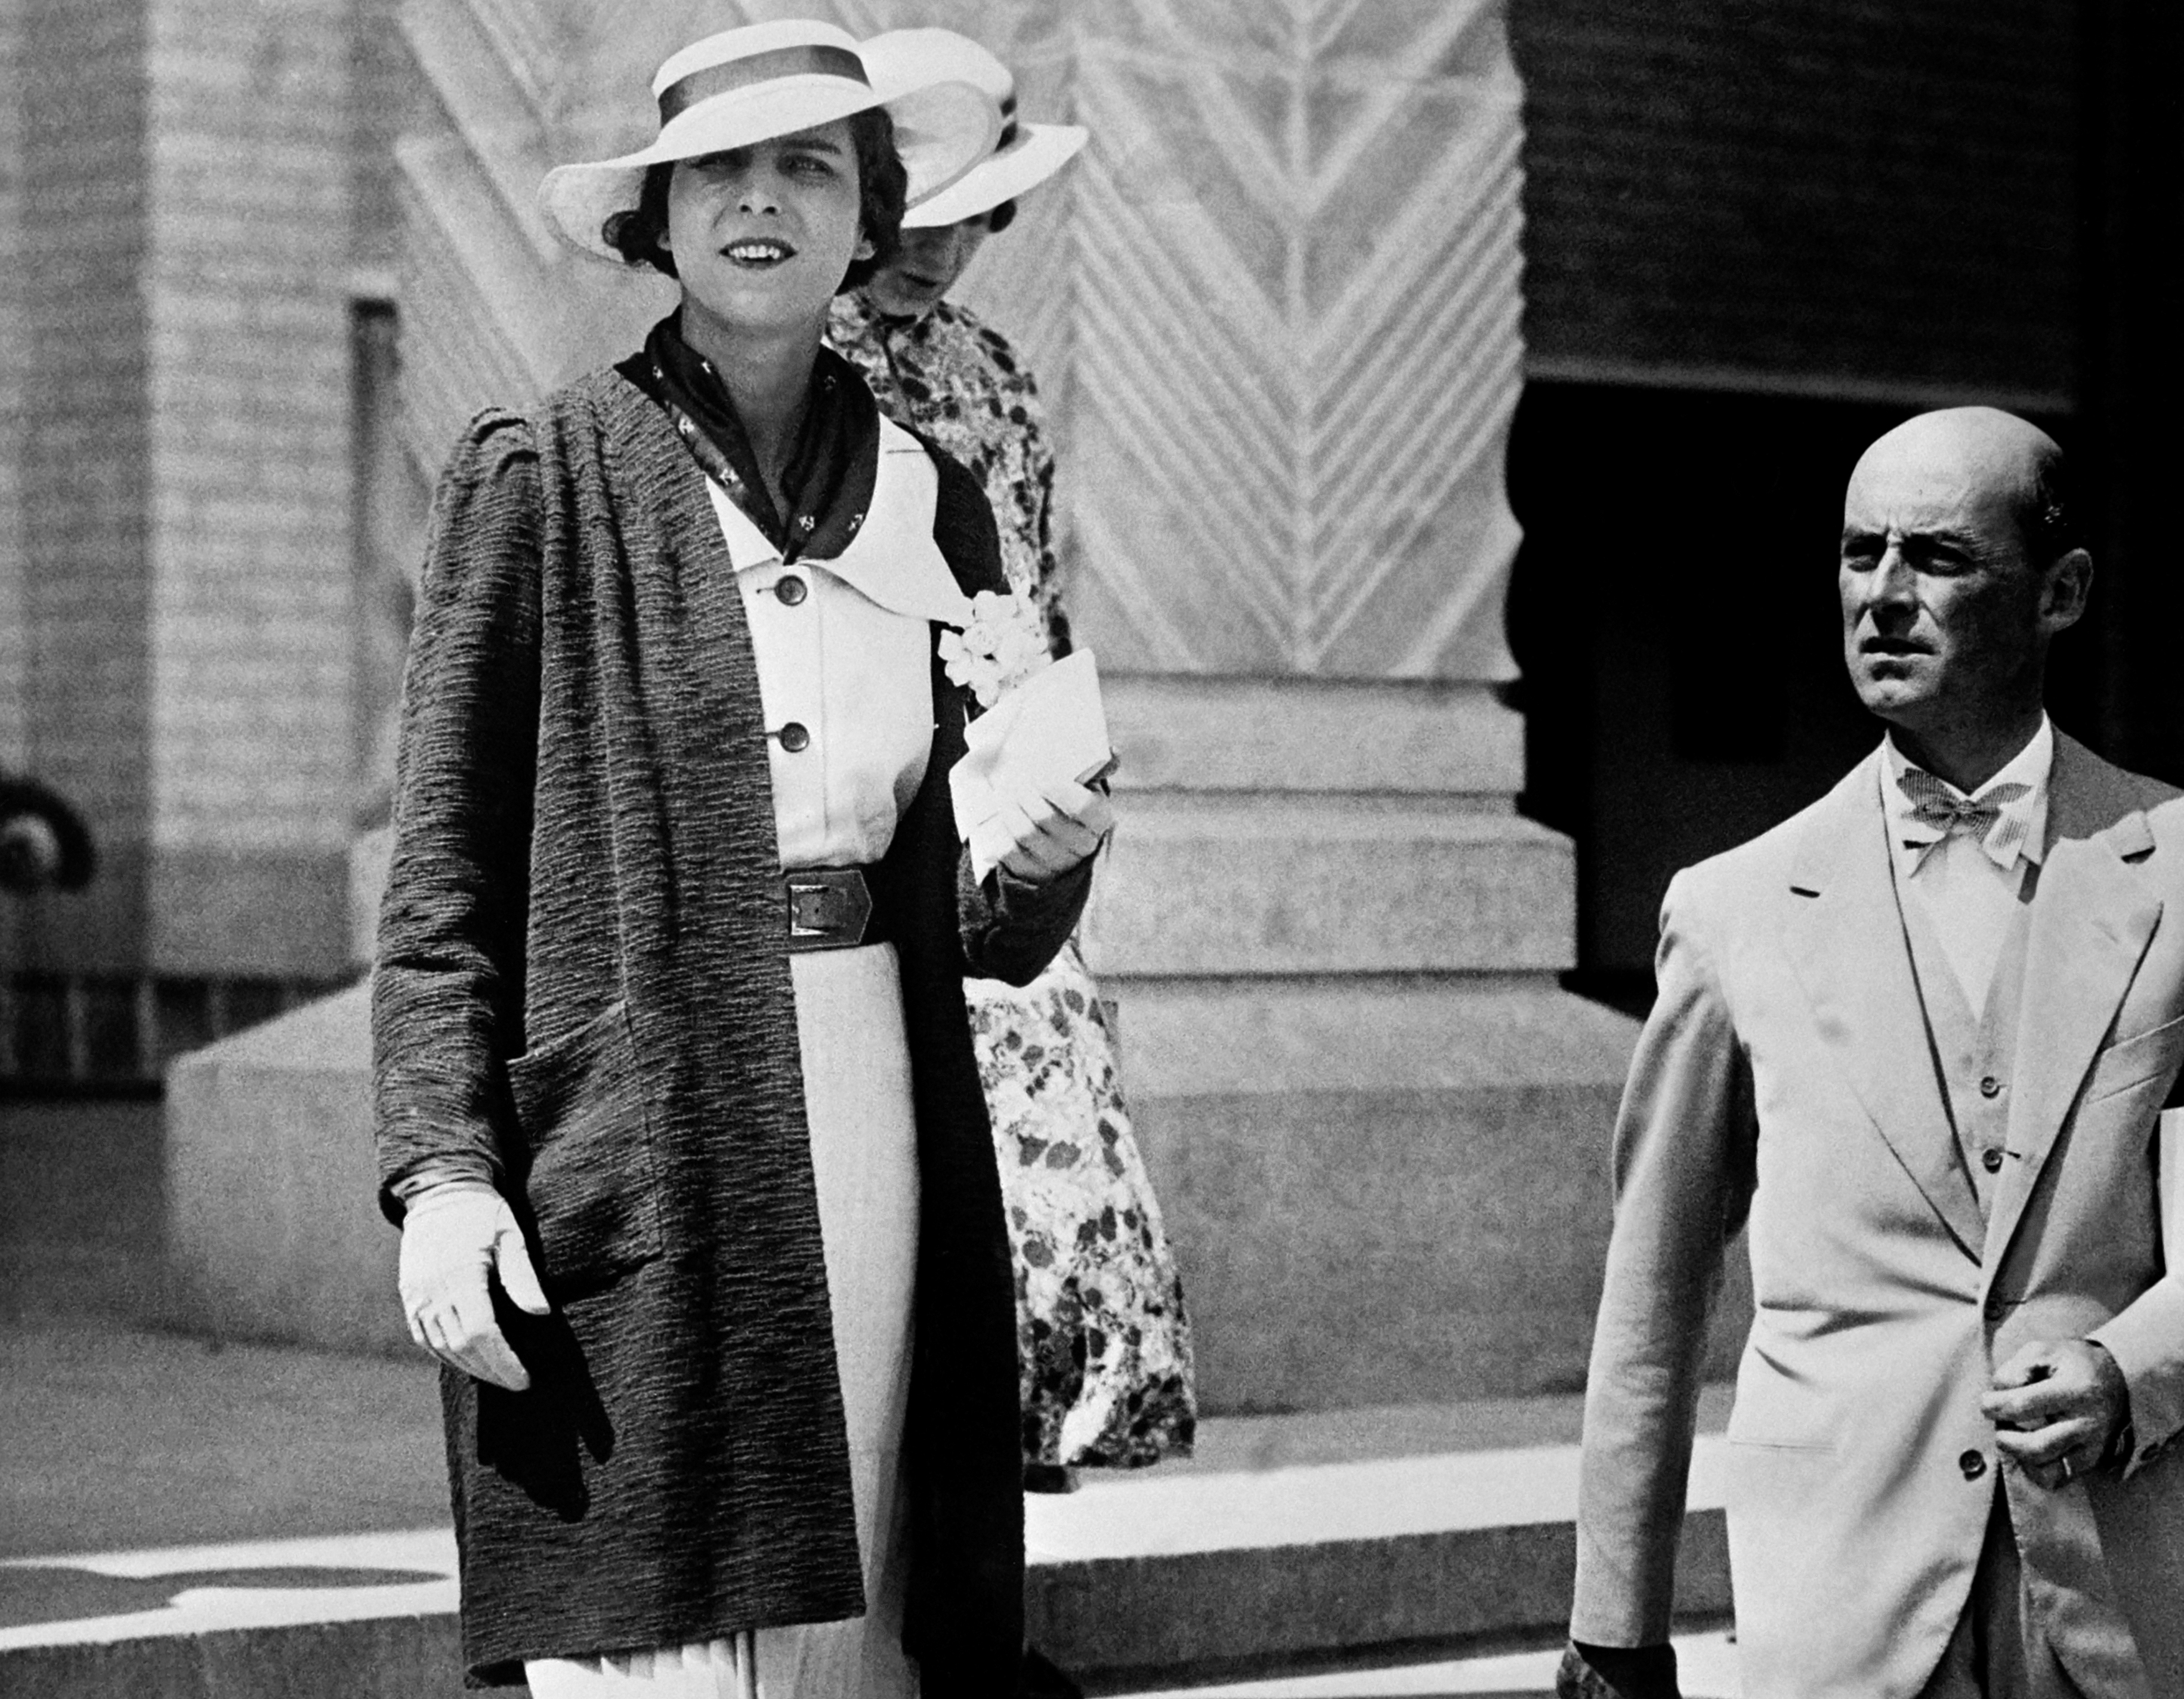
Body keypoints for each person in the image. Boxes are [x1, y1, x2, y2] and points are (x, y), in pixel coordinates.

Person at [371, 22, 1111, 1698]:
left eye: (808, 168)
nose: (761, 202)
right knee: (656, 1619)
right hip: (641, 1103)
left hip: (871, 1087)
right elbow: (440, 893)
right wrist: (444, 1176)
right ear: (657, 216)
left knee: (859, 1572)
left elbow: (976, 917)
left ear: (871, 217)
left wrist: (1053, 857)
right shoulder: (544, 474)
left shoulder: (937, 499)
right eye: (722, 168)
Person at [1561, 408, 2184, 1699]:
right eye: (1859, 553)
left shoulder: (2176, 871)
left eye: (1939, 557)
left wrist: (2135, 1367)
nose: (1883, 596)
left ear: (2060, 591)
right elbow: (1651, 1299)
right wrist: (1613, 1627)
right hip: (1839, 1600)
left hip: (2117, 1588)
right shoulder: (1730, 909)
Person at [828, 28, 1195, 1487]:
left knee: (1039, 1138)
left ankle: (999, 1518)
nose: (944, 248)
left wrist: (1052, 764)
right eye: (917, 217)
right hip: (859, 797)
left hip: (996, 794)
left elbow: (1025, 596)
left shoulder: (990, 370)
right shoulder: (801, 356)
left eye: (974, 214)